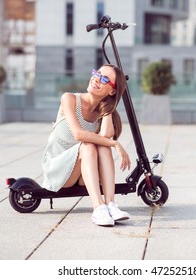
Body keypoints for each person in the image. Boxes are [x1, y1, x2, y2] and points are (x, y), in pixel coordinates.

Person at [41, 64, 131, 227]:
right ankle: (98, 208)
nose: (96, 78)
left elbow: (104, 137)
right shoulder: (69, 99)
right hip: (58, 170)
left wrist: (109, 107)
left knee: (101, 146)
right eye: (97, 73)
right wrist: (115, 144)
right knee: (88, 145)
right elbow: (78, 134)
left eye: (104, 79)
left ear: (111, 91)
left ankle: (110, 205)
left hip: (83, 174)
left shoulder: (102, 112)